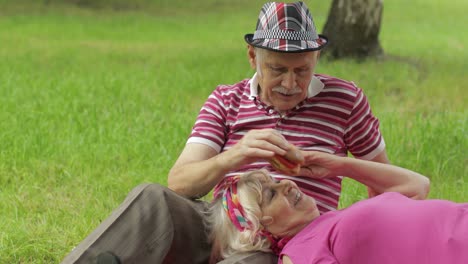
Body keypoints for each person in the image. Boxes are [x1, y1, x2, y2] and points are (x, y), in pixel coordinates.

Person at [61, 2, 430, 264]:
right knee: (152, 199)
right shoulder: (226, 98)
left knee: (255, 261)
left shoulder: (345, 99)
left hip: (285, 237)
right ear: (253, 57)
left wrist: (336, 177)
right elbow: (180, 182)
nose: (290, 83)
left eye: (301, 70)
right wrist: (236, 155)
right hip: (218, 220)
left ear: (316, 58)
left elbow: (385, 188)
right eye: (277, 69)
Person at [209, 152, 465, 264]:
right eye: (270, 193)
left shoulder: (332, 220)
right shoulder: (299, 252)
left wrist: (339, 166)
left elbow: (417, 185)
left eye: (276, 180)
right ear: (259, 229)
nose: (286, 184)